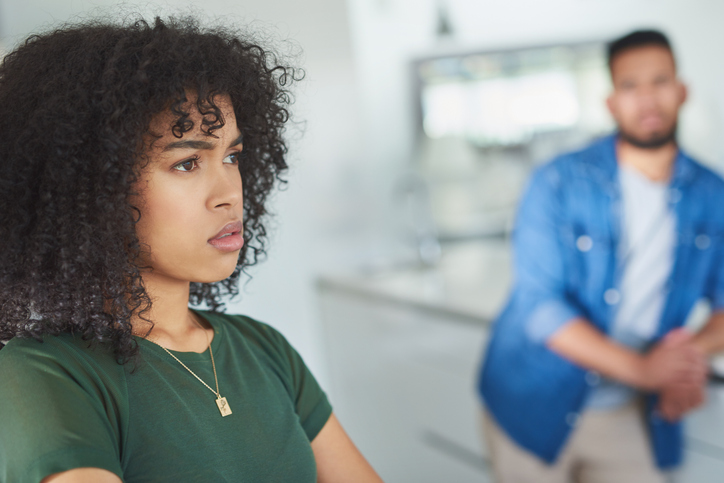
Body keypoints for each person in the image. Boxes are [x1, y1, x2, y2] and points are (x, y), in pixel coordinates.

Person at [0, 16, 383, 483]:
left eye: (232, 157)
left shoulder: (264, 349)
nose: (228, 193)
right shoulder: (42, 375)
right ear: (91, 189)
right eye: (186, 163)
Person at [477, 29, 724, 483]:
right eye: (630, 86)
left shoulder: (714, 195)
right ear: (611, 102)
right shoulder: (556, 181)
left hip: (632, 412)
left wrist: (686, 356)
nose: (648, 100)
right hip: (532, 402)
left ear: (682, 90)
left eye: (660, 81)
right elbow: (539, 306)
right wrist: (647, 370)